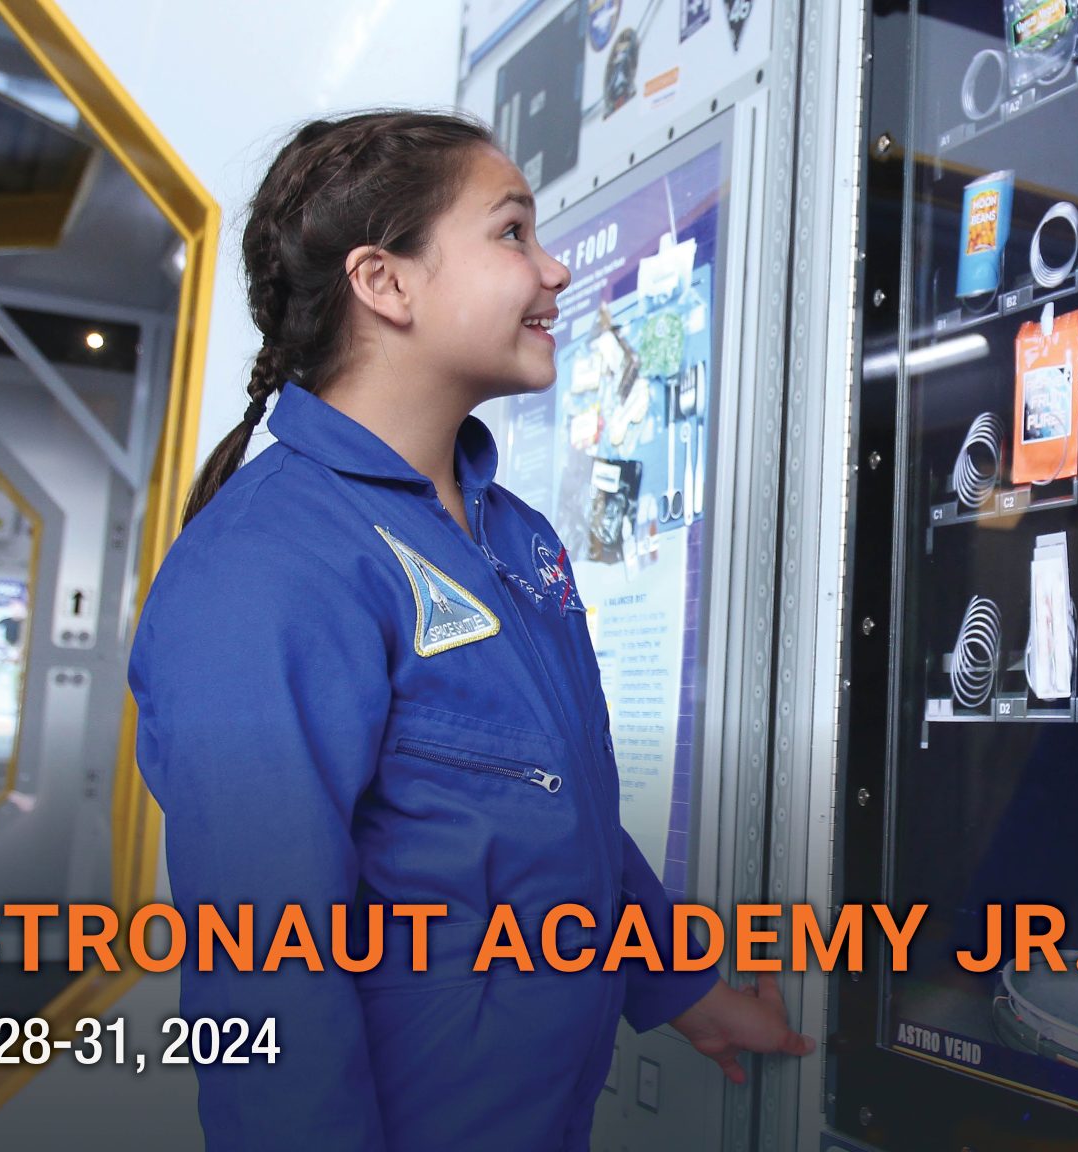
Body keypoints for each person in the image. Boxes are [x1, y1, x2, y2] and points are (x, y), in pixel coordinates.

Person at [129, 111, 812, 1151]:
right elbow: (265, 985)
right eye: (510, 233)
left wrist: (678, 985)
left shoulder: (512, 535)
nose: (551, 270)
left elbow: (550, 818)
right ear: (384, 283)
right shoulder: (264, 572)